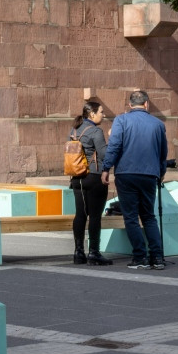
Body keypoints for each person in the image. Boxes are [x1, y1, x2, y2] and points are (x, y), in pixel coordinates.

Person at [101, 90, 169, 270]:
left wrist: (106, 168)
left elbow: (114, 146)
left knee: (131, 217)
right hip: (149, 174)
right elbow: (163, 153)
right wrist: (160, 172)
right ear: (147, 104)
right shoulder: (158, 124)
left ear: (130, 105)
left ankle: (140, 257)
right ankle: (158, 257)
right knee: (149, 216)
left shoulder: (121, 120)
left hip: (126, 173)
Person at [70, 102, 112, 266]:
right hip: (94, 177)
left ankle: (78, 253)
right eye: (101, 112)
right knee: (94, 216)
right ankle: (94, 253)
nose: (103, 115)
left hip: (77, 178)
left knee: (80, 214)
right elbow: (104, 154)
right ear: (92, 114)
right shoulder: (95, 131)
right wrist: (112, 137)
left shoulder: (74, 130)